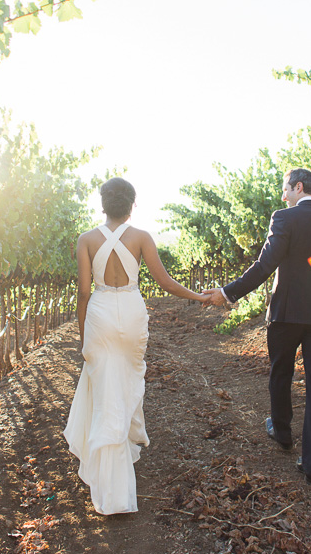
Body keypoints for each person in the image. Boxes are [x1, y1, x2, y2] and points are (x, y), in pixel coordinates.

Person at [203, 168, 311, 485]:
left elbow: (264, 265)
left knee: (281, 371)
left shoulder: (284, 219)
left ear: (298, 187)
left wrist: (228, 293)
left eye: (285, 189)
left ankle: (283, 433)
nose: (283, 196)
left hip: (285, 313)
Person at [64, 177, 207, 515]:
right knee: (127, 379)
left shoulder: (85, 240)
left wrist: (84, 336)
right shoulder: (141, 238)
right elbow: (164, 282)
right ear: (131, 205)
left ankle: (109, 455)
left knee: (104, 386)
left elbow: (84, 293)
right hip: (130, 312)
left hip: (99, 313)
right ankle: (126, 441)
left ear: (103, 204)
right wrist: (200, 296)